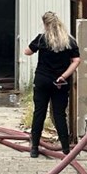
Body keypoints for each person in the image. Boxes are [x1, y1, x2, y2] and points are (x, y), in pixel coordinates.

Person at [23, 11, 80, 158]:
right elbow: (76, 61)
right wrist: (64, 76)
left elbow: (27, 52)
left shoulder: (42, 39)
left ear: (45, 24)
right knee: (60, 114)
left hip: (42, 80)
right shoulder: (69, 41)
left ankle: (34, 148)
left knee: (39, 113)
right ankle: (66, 149)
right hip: (60, 83)